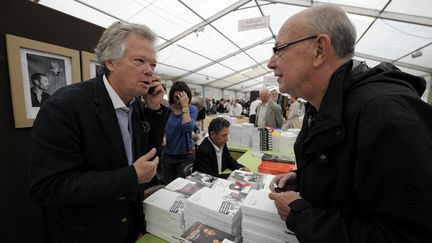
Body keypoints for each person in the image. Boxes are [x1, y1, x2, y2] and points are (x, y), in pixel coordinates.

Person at [267, 5, 432, 243]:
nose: (271, 63)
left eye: (279, 50)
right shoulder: (321, 106)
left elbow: (407, 235)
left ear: (320, 50)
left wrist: (302, 216)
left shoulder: (387, 114)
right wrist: (303, 178)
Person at [29, 21, 167, 243]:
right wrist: (130, 177)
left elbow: (149, 158)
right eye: (140, 61)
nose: (149, 71)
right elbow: (49, 186)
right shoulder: (64, 107)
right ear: (110, 61)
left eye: (153, 64)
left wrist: (153, 109)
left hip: (129, 228)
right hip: (86, 233)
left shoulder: (136, 106)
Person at [161, 81, 198, 184]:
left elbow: (187, 128)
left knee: (180, 187)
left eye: (181, 97)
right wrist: (163, 136)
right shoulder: (167, 110)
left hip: (185, 156)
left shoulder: (192, 110)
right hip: (168, 155)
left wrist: (185, 106)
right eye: (176, 97)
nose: (178, 101)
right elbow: (162, 128)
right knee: (167, 186)